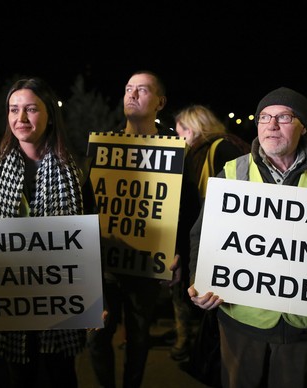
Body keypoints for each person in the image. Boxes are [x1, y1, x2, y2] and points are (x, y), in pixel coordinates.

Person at [188, 86, 307, 388]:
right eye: (264, 117)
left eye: (284, 117)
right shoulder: (232, 171)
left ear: (303, 127)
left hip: (302, 323)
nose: (271, 125)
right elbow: (203, 231)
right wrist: (200, 278)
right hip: (240, 320)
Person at [0, 76, 96, 388]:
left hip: (58, 302)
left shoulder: (77, 173)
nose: (20, 118)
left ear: (49, 115)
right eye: (13, 109)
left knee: (60, 375)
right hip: (8, 299)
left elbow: (88, 243)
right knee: (17, 377)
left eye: (31, 109)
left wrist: (96, 299)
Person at [87, 70, 201, 388]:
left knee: (138, 339)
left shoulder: (175, 151)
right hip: (104, 264)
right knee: (96, 336)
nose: (132, 94)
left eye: (142, 89)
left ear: (160, 102)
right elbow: (88, 203)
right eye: (127, 89)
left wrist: (178, 251)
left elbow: (188, 207)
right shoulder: (104, 147)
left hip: (146, 266)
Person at [172, 105, 249, 362]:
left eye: (180, 129)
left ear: (192, 128)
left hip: (218, 237)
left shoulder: (220, 149)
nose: (177, 135)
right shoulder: (202, 151)